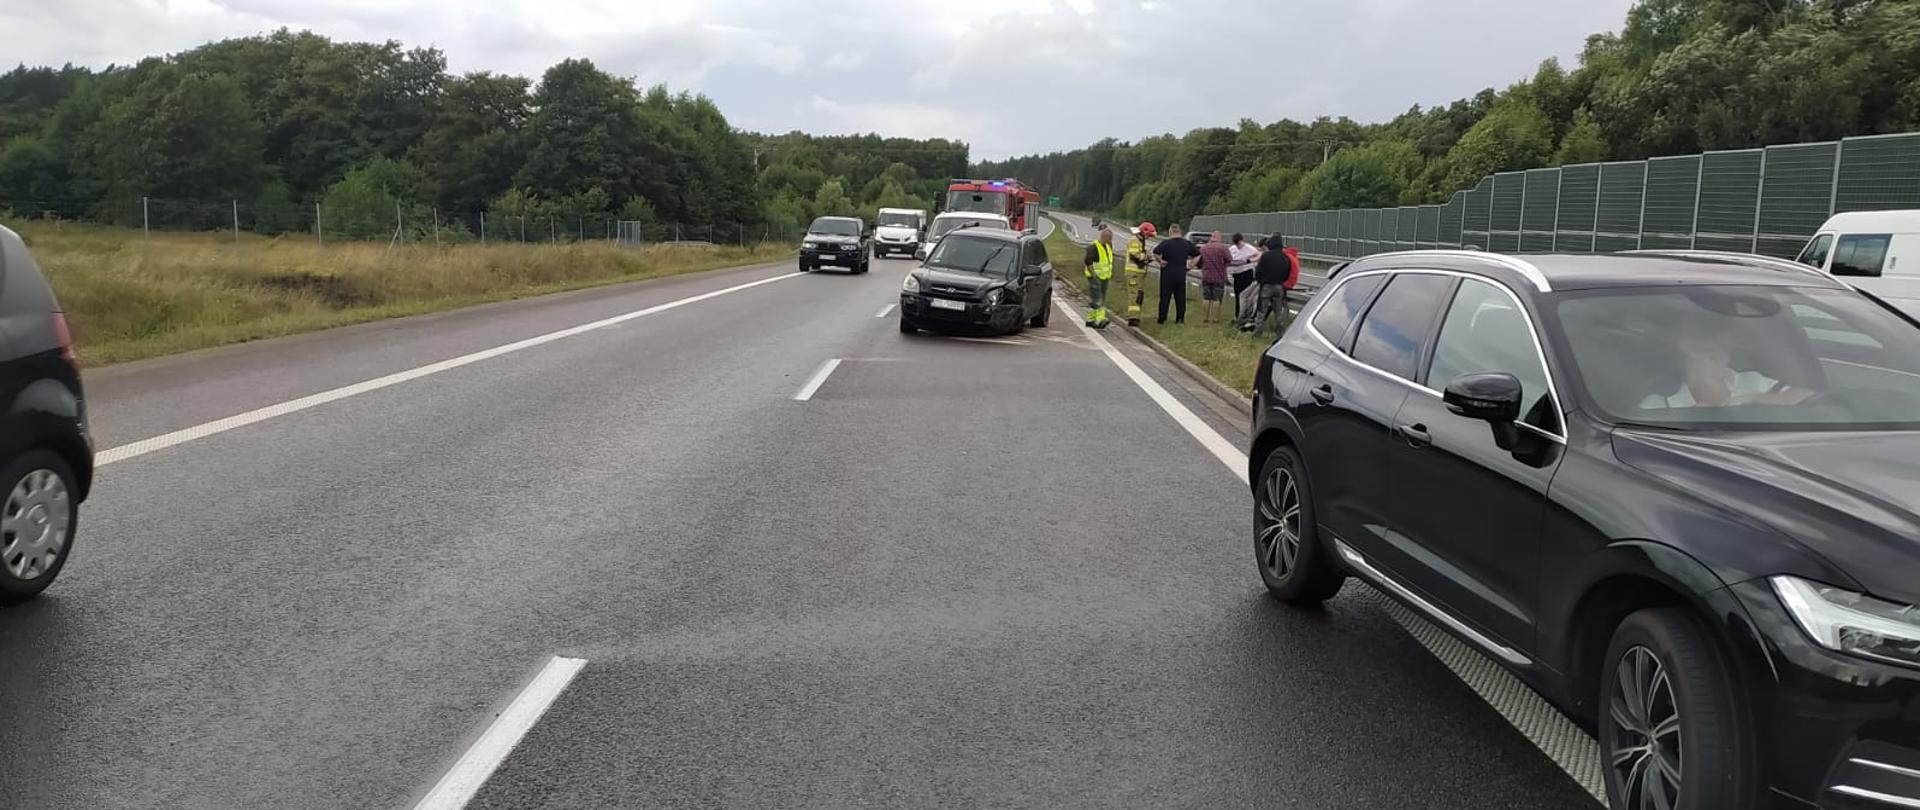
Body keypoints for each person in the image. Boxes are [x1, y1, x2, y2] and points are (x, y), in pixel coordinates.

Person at [1641, 321, 1814, 408]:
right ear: (1681, 354)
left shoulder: (1752, 382)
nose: (1710, 358)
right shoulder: (1659, 404)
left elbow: (1808, 398)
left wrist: (1753, 399)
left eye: (1721, 350)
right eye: (1701, 350)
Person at [1250, 234, 1299, 337]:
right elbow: (1287, 272)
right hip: (1279, 286)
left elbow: (1258, 271)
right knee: (1278, 311)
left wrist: (1261, 281)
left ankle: (1257, 332)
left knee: (1261, 311)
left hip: (1266, 286)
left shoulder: (1266, 256)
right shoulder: (1285, 257)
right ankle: (1280, 333)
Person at [1151, 225, 1200, 325]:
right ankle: (1180, 319)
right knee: (1180, 297)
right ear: (1180, 232)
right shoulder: (1187, 243)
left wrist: (1160, 261)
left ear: (1170, 232)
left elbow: (1155, 252)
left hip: (1167, 273)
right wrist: (1190, 265)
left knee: (1165, 297)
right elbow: (1197, 255)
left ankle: (1162, 319)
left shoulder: (1166, 243)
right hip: (1181, 273)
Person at [1081, 226, 1115, 329]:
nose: (1109, 241)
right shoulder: (1093, 247)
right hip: (1095, 277)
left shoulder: (1108, 246)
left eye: (1110, 239)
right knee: (1098, 298)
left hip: (1105, 276)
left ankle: (1090, 319)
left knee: (1098, 298)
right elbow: (1088, 262)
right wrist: (1093, 275)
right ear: (1103, 237)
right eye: (1108, 238)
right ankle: (1100, 319)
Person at [1196, 230, 1233, 324]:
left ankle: (1205, 318)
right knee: (1216, 298)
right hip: (1219, 276)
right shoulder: (1223, 248)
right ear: (1219, 238)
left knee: (1206, 297)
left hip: (1206, 276)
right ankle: (1215, 318)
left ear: (1211, 238)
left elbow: (1199, 262)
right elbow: (1229, 259)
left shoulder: (1203, 248)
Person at [1124, 223, 1155, 326]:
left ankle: (1136, 316)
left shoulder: (1141, 241)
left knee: (1139, 296)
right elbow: (1135, 255)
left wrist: (1146, 258)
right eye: (1149, 235)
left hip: (1139, 273)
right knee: (1134, 295)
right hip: (1133, 273)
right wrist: (1147, 256)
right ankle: (1133, 318)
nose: (1149, 237)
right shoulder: (1134, 240)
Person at [1227, 233, 1259, 301]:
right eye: (1236, 244)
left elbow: (1258, 255)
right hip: (1236, 273)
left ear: (1242, 241)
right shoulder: (1232, 249)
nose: (1238, 246)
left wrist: (1250, 260)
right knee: (1238, 294)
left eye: (1239, 243)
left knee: (1245, 294)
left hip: (1246, 272)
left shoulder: (1249, 248)